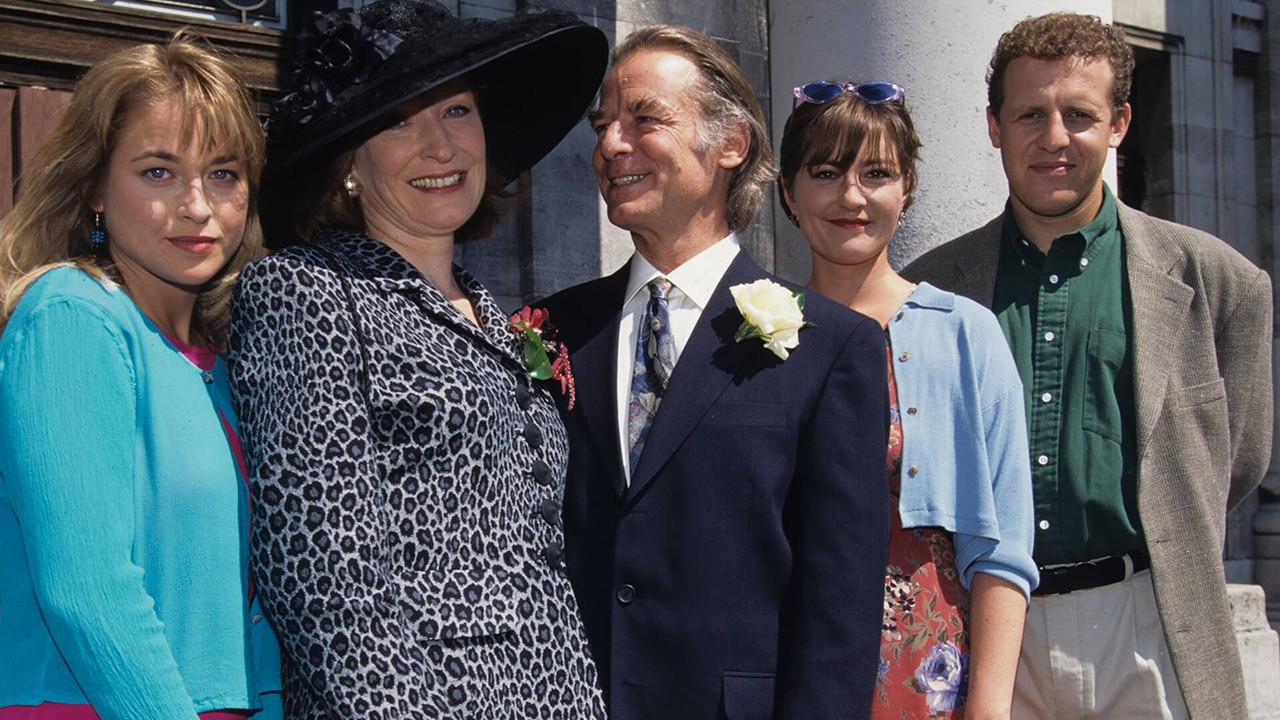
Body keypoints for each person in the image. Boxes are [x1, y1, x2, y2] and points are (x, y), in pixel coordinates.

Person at [226, 1, 609, 717]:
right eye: (400, 121)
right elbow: (325, 578)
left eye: (458, 111)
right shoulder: (304, 291)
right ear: (348, 163)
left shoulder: (492, 313)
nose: (441, 146)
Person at [904, 12, 1273, 720]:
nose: (1054, 137)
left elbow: (1239, 459)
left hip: (1151, 629)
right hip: (987, 634)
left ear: (1118, 123)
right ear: (994, 127)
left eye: (1079, 114)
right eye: (1030, 114)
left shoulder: (1219, 282)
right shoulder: (931, 289)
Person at [538, 25, 890, 720]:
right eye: (602, 125)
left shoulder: (831, 348)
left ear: (731, 143)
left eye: (644, 119)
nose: (610, 146)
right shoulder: (553, 331)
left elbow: (839, 611)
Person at [0, 35, 281, 719]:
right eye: (159, 172)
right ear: (93, 185)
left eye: (223, 173)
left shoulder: (224, 360)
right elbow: (87, 588)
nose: (197, 205)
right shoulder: (71, 315)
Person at [777, 79, 1037, 720]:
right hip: (785, 669)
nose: (852, 196)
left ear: (907, 189)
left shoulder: (966, 333)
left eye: (877, 173)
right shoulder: (754, 336)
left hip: (930, 679)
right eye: (826, 172)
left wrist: (988, 709)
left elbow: (1003, 548)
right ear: (788, 190)